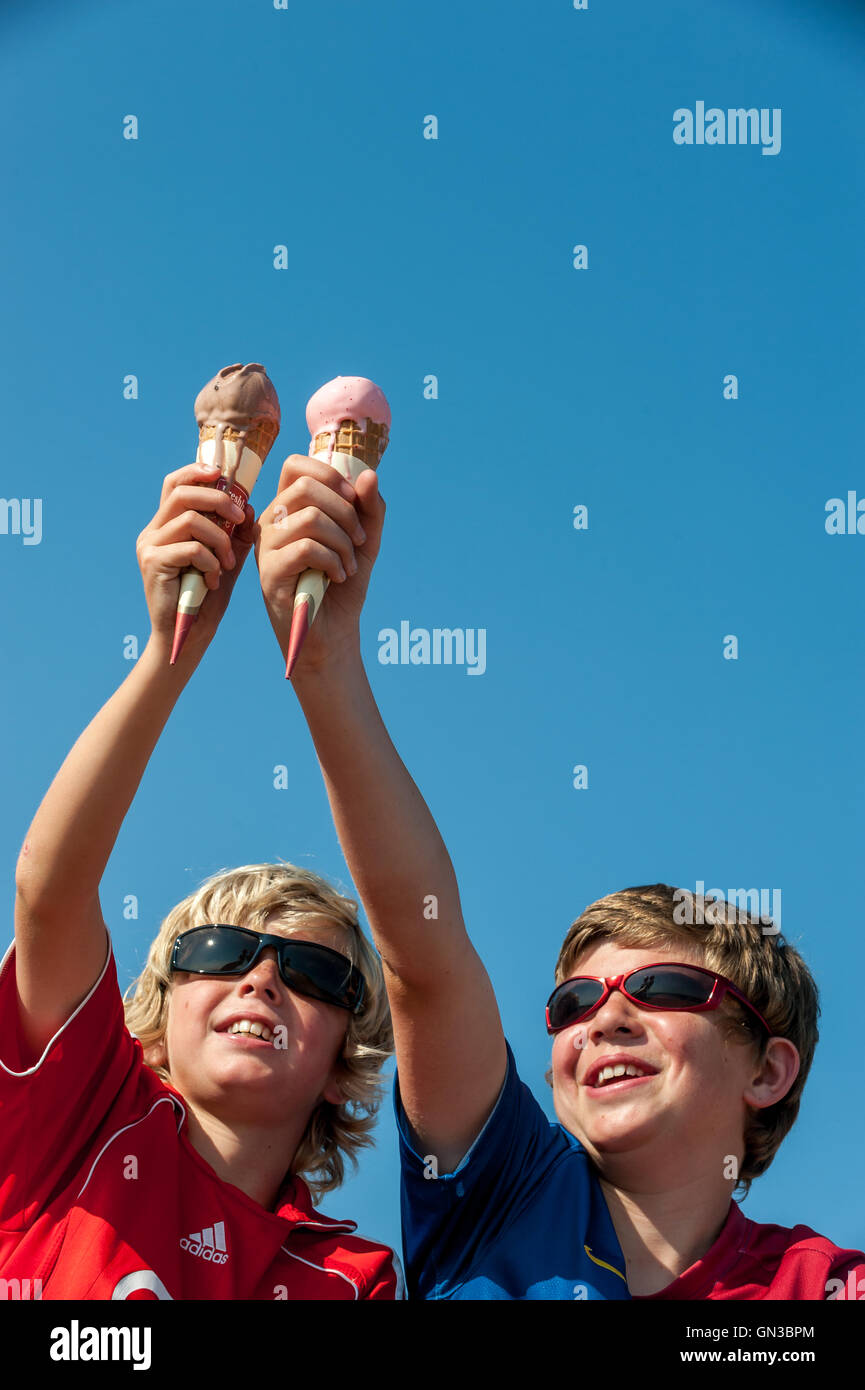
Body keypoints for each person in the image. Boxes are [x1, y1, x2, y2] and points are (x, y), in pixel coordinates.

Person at [254, 448, 865, 1301]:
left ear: (766, 1070)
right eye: (572, 1005)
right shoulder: (497, 1189)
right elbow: (424, 964)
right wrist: (326, 667)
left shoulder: (822, 1288)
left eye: (660, 986)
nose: (604, 1017)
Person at [2, 459, 400, 1300]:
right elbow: (48, 889)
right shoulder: (83, 1115)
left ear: (343, 1061)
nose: (259, 978)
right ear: (158, 1009)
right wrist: (167, 651)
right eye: (218, 952)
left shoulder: (353, 1279)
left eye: (313, 973)